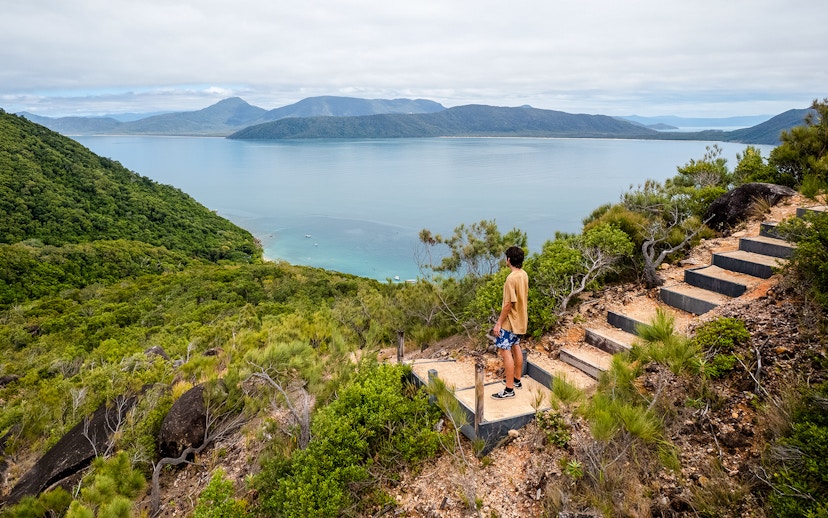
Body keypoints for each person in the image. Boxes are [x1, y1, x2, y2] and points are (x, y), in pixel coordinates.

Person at [491, 246, 529, 399]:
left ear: (509, 260)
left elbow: (508, 304)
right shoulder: (523, 274)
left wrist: (498, 323)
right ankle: (517, 380)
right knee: (516, 346)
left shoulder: (510, 279)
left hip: (509, 322)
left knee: (505, 351)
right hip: (520, 320)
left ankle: (509, 389)